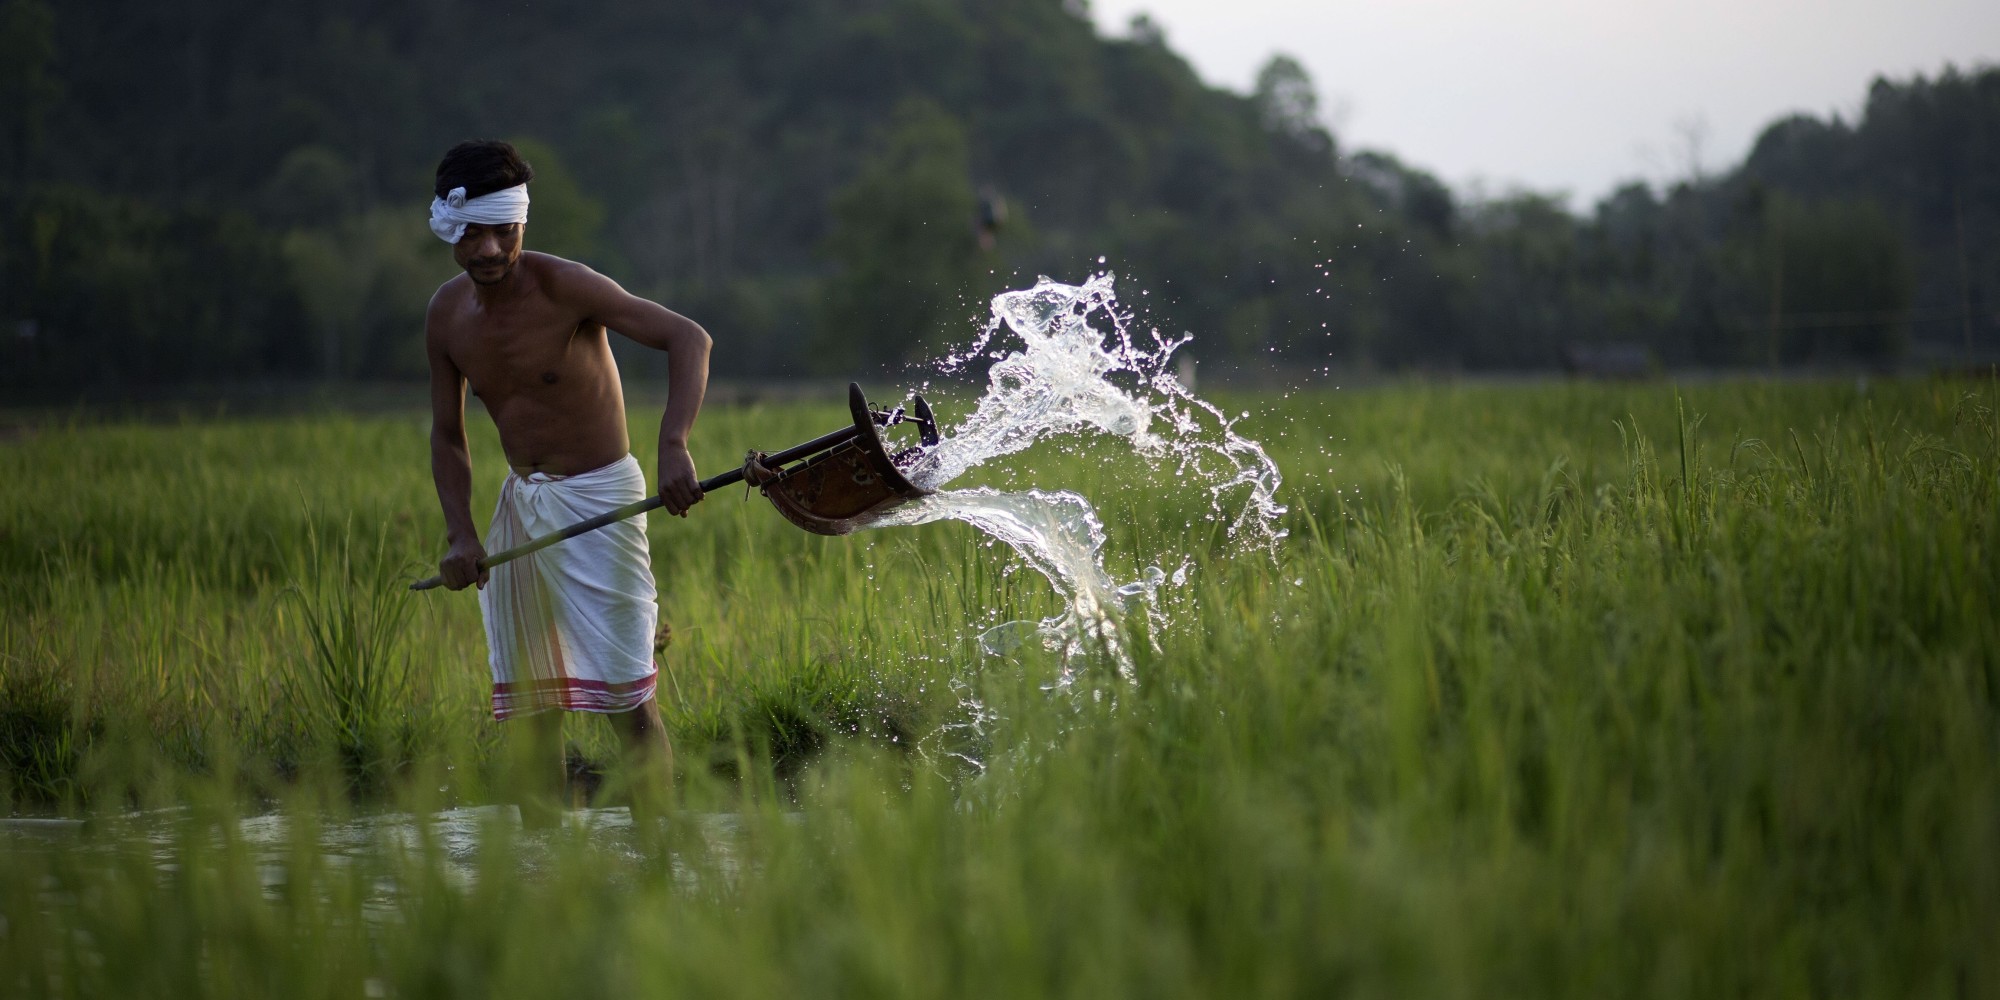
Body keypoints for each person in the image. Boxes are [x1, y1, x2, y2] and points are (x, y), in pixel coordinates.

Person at [423, 139, 710, 821]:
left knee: (626, 703)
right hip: (520, 505)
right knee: (533, 705)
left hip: (601, 498)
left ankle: (659, 869)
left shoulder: (566, 287)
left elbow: (688, 337)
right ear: (447, 230)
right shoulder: (446, 315)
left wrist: (674, 446)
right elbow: (448, 434)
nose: (488, 249)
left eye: (503, 230)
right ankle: (540, 876)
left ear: (524, 222)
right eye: (471, 233)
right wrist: (462, 534)